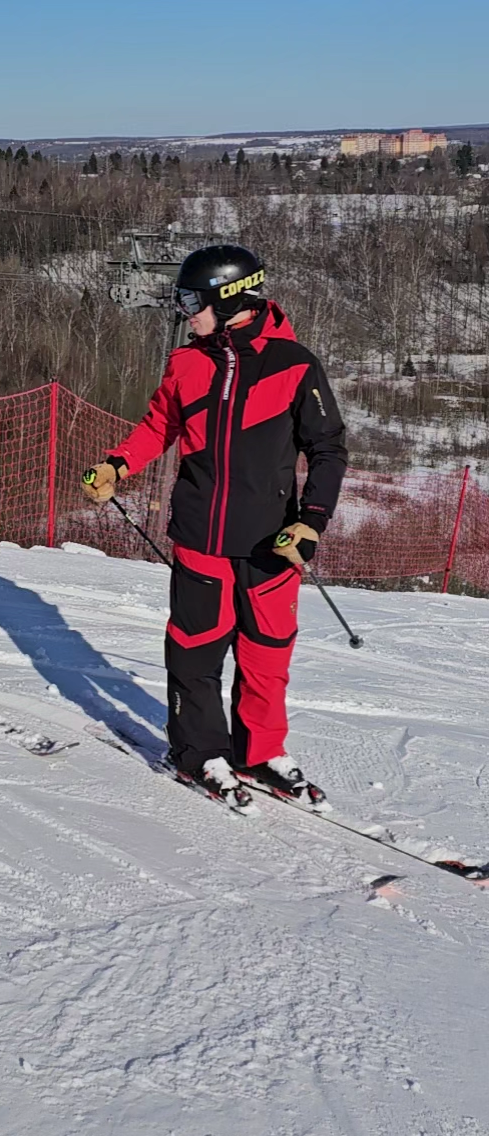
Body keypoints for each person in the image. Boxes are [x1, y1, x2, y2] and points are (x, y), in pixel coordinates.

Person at [82, 245, 347, 807]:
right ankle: (200, 753)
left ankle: (261, 752)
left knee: (267, 651)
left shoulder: (295, 364)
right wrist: (117, 463)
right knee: (196, 649)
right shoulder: (188, 363)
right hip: (202, 535)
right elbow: (158, 426)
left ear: (231, 300)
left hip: (272, 541)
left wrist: (311, 523)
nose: (185, 313)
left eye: (193, 302)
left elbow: (328, 450)